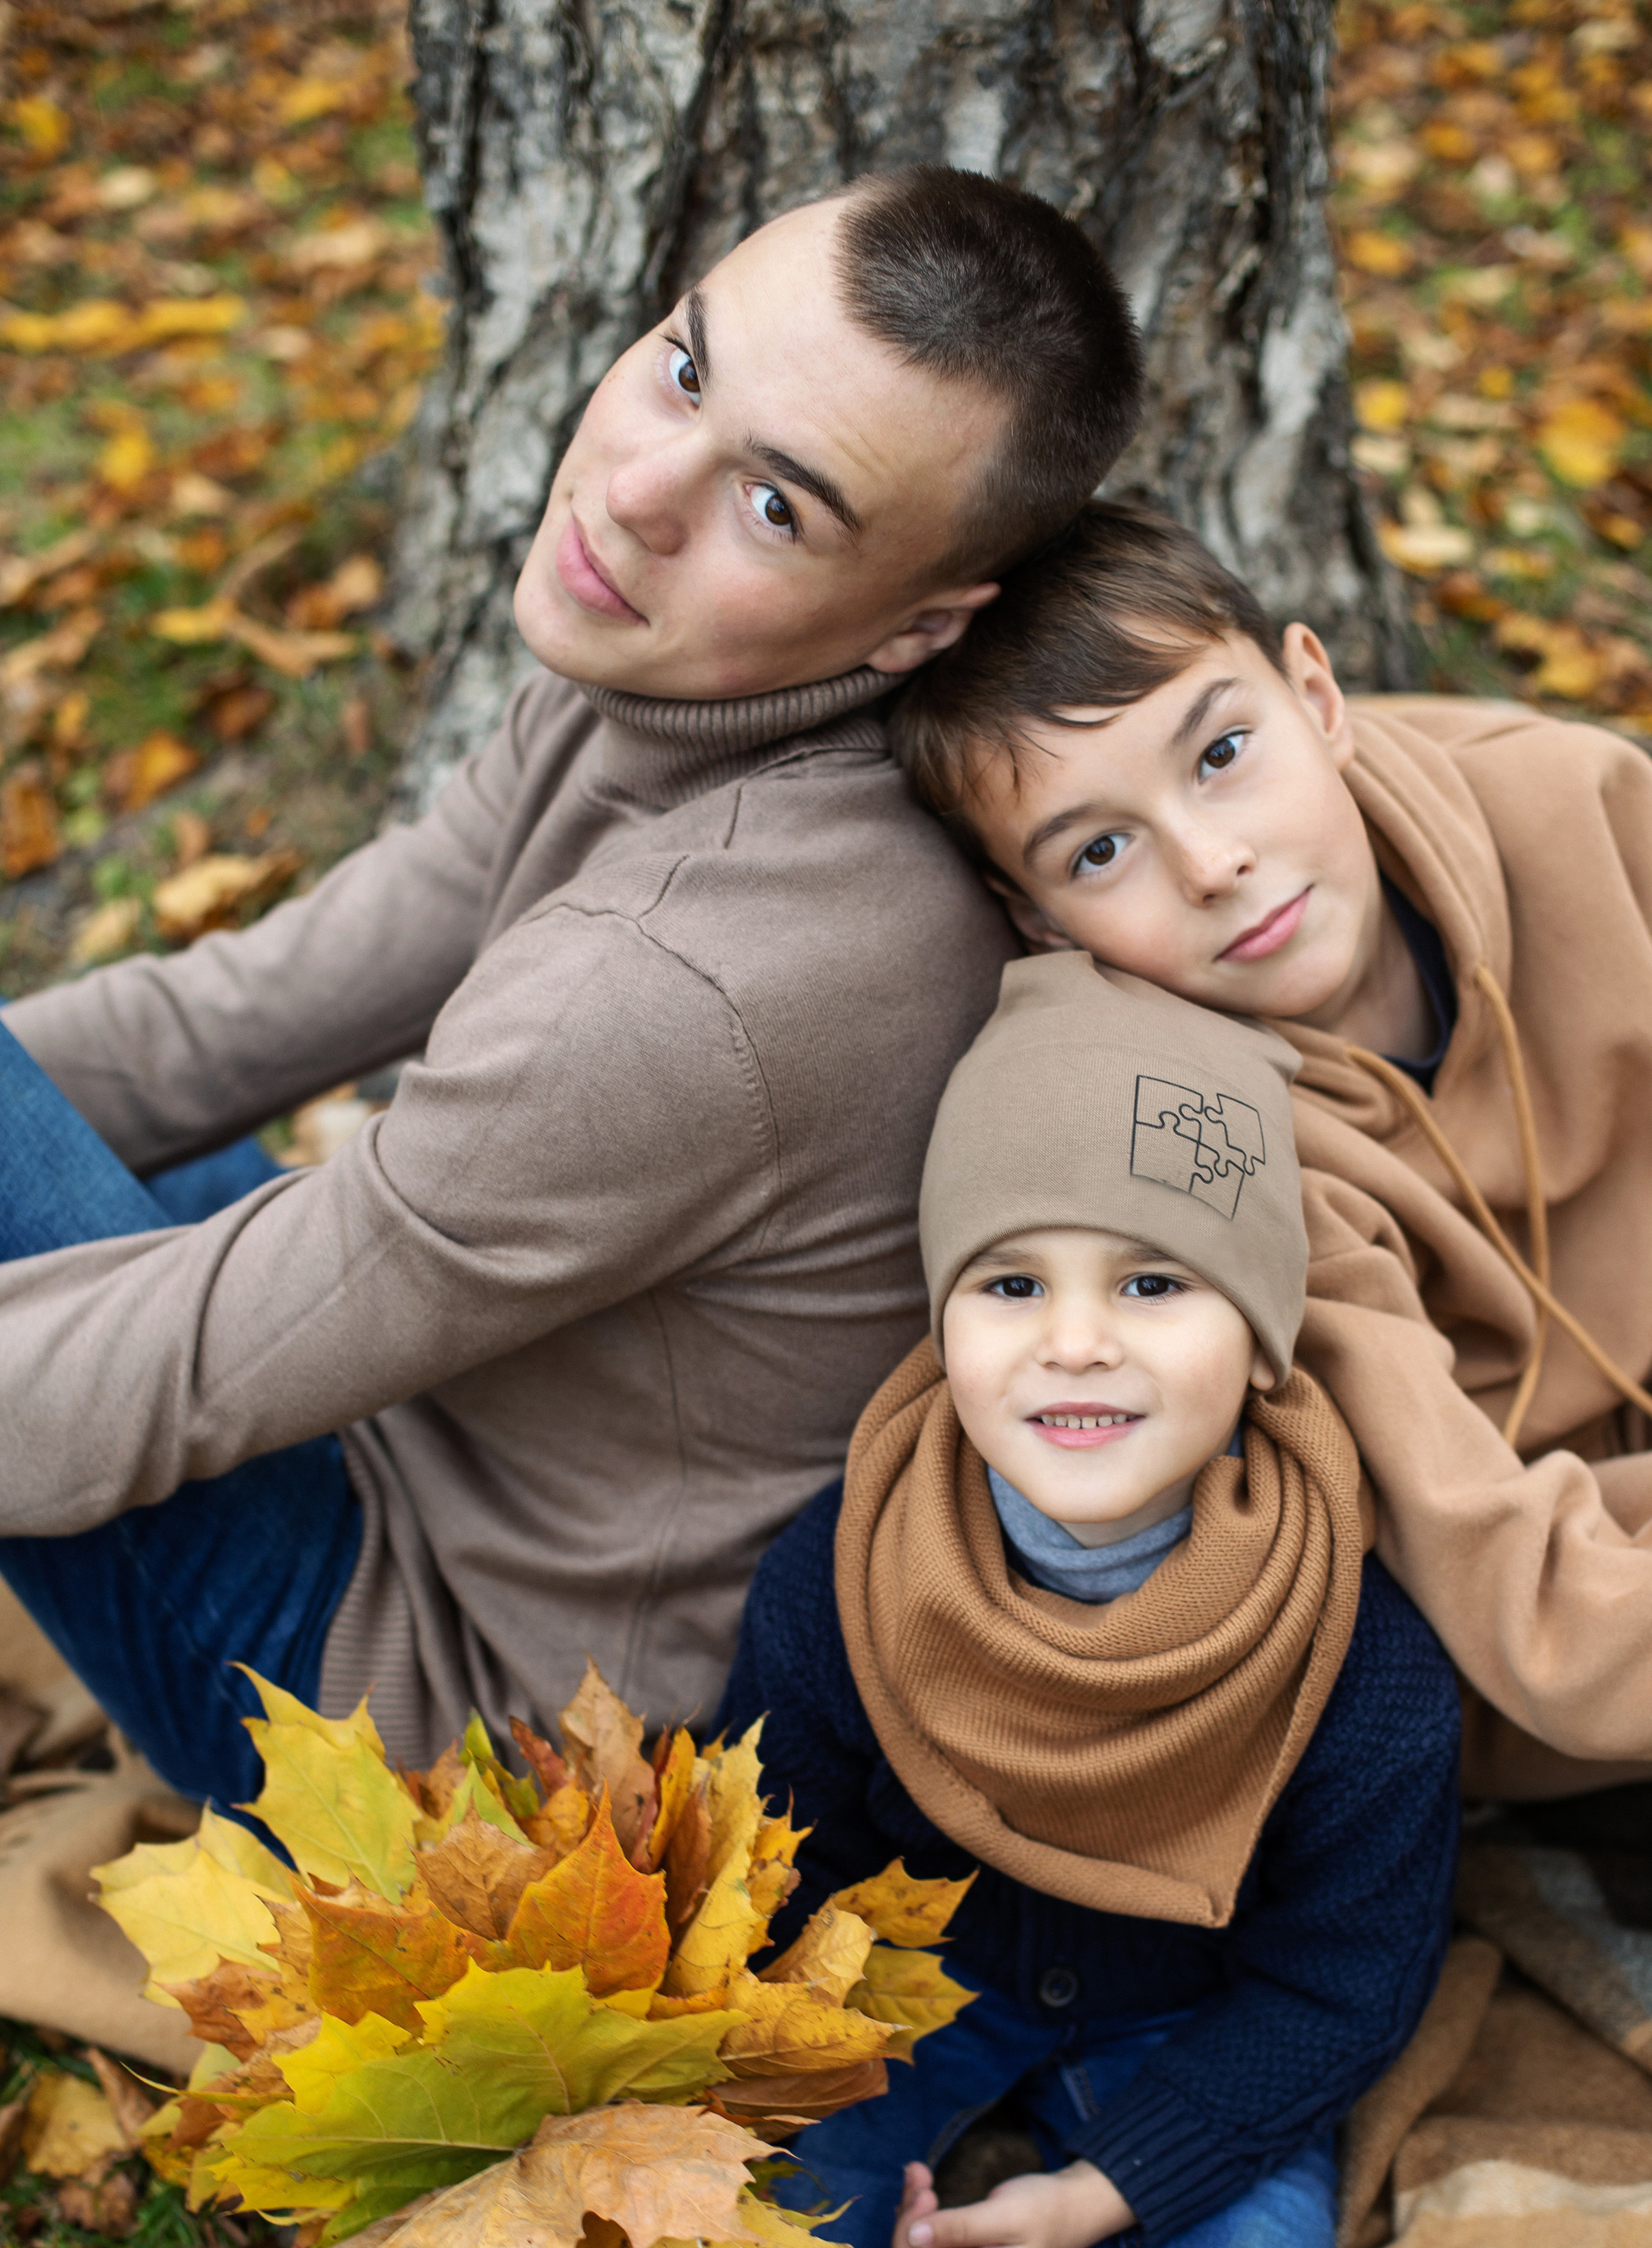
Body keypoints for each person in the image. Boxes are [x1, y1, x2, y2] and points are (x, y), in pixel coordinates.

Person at [0, 169, 1144, 1811]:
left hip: (440, 1738)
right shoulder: (675, 684)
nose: (636, 493)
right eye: (686, 370)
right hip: (427, 1441)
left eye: (777, 508)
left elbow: (182, 1373)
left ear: (917, 626)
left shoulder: (693, 978)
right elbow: (235, 1020)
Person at [691, 954, 1456, 2248]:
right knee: (718, 2227)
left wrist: (1101, 2194)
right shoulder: (841, 1581)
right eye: (1010, 1283)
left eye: (1157, 1283)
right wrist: (808, 2095)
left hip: (1197, 2020)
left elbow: (1336, 1991)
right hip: (913, 1976)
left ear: (1259, 1338)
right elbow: (780, 1887)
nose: (1077, 1342)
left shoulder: (1356, 1663)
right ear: (941, 1320)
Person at [892, 502, 1652, 1798]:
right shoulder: (1195, 1137)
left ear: (1317, 693)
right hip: (1501, 1600)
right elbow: (1541, 1621)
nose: (1215, 862)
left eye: (1225, 750)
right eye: (1102, 849)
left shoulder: (1573, 802)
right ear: (1035, 913)